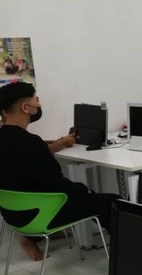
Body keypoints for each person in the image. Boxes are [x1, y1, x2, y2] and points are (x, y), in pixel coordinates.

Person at [0, 82, 118, 261]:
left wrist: (59, 143)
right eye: (36, 100)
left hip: (12, 214)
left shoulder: (13, 140)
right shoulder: (30, 143)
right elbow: (57, 184)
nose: (39, 105)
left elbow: (27, 156)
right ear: (25, 108)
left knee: (87, 196)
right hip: (41, 214)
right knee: (112, 201)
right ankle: (123, 250)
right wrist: (83, 189)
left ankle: (31, 238)